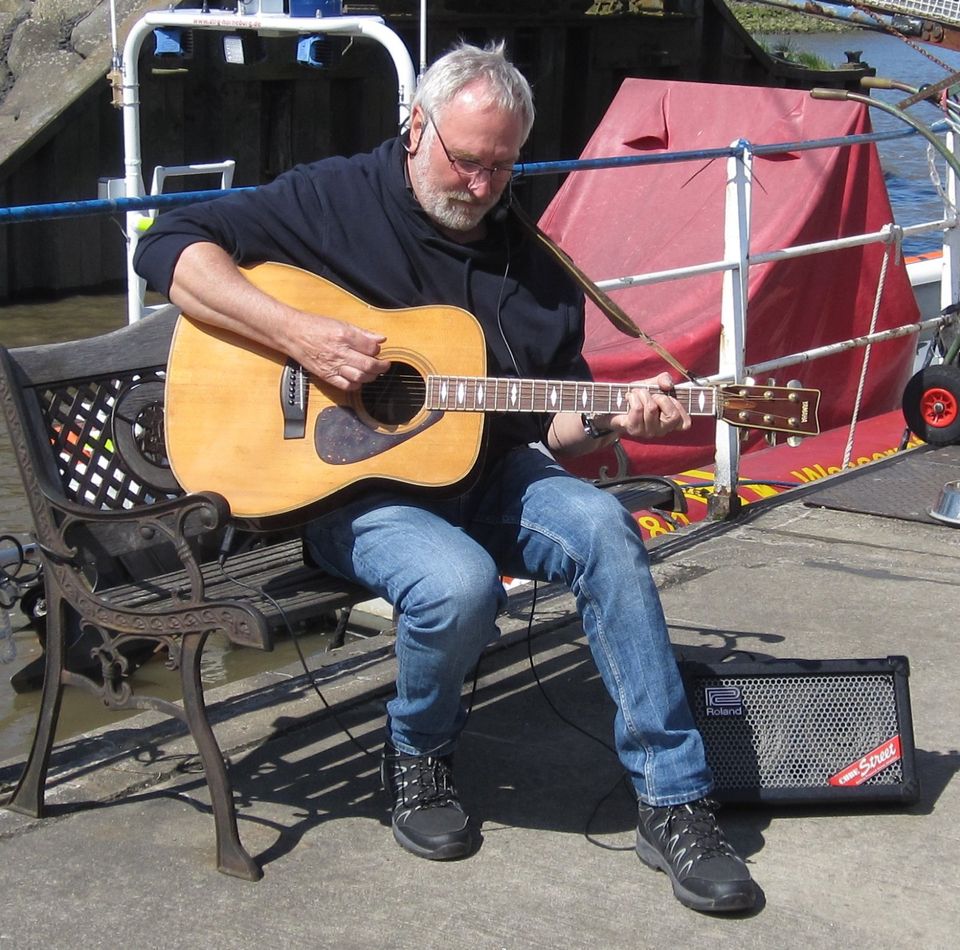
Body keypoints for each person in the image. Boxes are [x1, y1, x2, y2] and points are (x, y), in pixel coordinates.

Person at [134, 40, 759, 914]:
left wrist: (616, 414)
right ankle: (417, 753)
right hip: (343, 490)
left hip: (487, 475)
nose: (481, 187)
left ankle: (674, 799)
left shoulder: (535, 265)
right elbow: (168, 245)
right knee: (460, 584)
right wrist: (298, 335)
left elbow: (553, 427)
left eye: (502, 168)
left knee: (605, 531)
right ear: (416, 126)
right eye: (466, 162)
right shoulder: (334, 199)